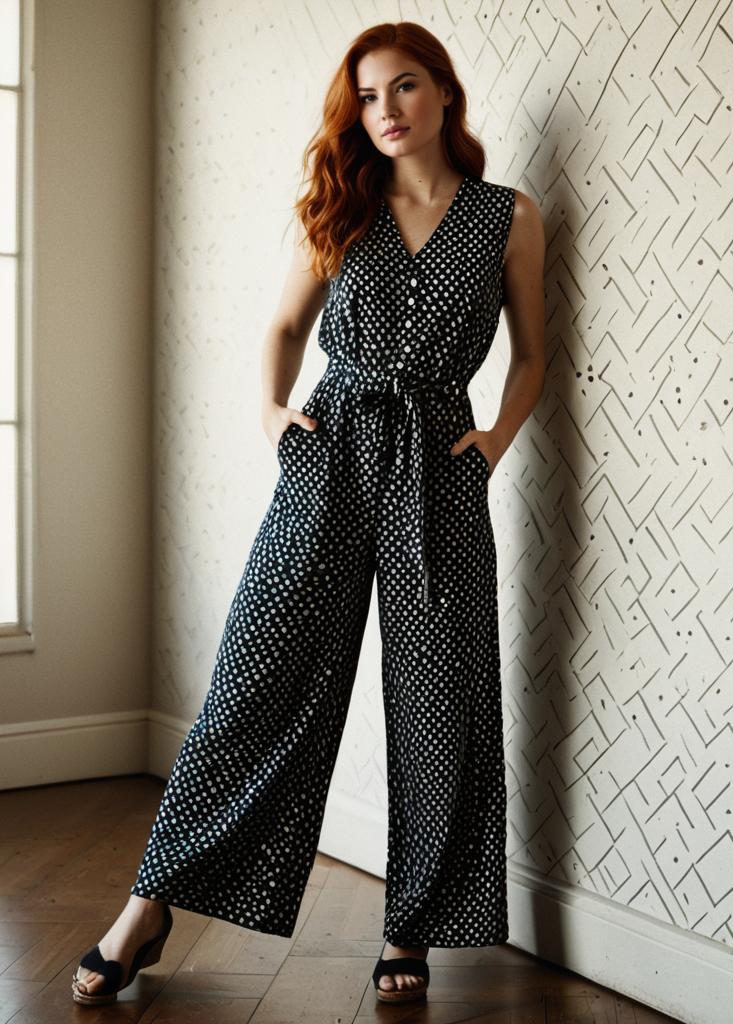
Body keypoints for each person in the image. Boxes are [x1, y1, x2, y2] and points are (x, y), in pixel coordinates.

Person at [72, 20, 545, 1008]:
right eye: (369, 97)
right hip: (329, 458)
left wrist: (493, 442)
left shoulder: (509, 215)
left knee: (440, 698)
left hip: (439, 470)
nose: (386, 112)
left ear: (444, 94)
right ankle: (147, 905)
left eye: (405, 88)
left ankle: (408, 921)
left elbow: (535, 353)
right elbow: (285, 328)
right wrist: (273, 415)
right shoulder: (341, 206)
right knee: (258, 676)